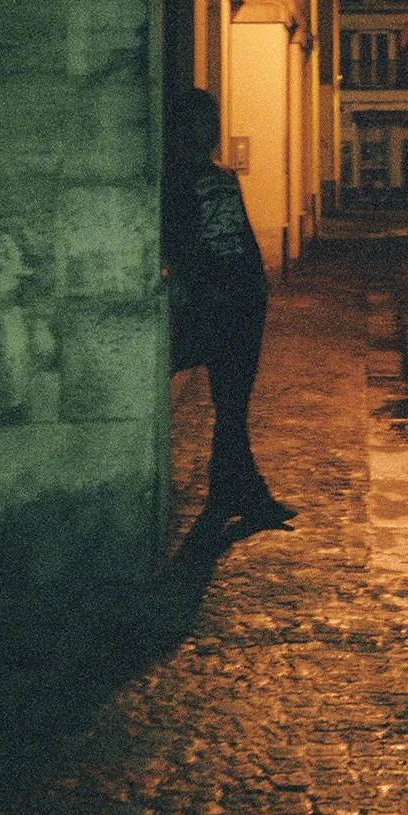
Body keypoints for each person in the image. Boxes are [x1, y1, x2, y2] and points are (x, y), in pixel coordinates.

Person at [163, 88, 292, 528]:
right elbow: (178, 244)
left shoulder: (224, 176)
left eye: (209, 125)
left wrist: (257, 286)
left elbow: (242, 234)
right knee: (231, 403)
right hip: (210, 301)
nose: (205, 134)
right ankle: (240, 494)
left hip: (243, 297)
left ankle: (234, 494)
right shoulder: (172, 181)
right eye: (197, 125)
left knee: (234, 402)